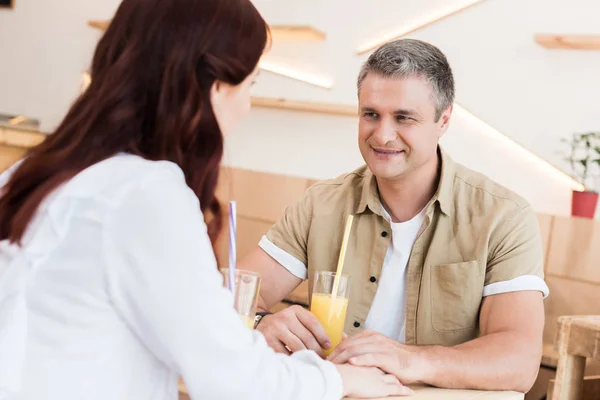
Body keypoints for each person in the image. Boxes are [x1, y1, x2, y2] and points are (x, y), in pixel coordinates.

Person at [0, 1, 412, 399]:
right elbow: (233, 378)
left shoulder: (31, 174)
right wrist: (336, 379)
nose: (248, 106)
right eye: (250, 84)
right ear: (215, 87)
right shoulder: (145, 195)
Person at [240, 38, 549, 393]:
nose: (383, 135)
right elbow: (236, 295)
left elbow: (519, 360)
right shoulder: (321, 204)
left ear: (444, 120)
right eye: (371, 114)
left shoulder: (504, 217)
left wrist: (406, 359)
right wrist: (261, 322)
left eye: (404, 118)